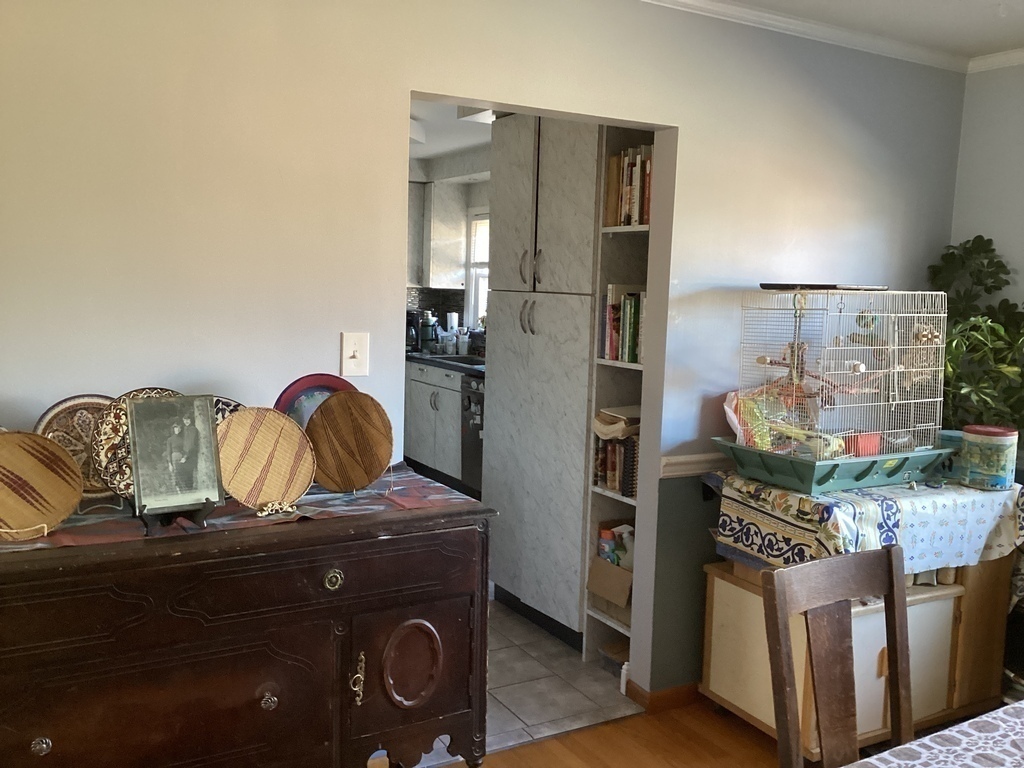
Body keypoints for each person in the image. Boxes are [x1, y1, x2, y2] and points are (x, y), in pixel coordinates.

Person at [180, 411, 200, 491]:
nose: (186, 421)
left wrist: (186, 456)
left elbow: (191, 443)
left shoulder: (193, 429)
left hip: (191, 453)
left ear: (191, 420)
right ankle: (186, 489)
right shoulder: (185, 429)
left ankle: (190, 489)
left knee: (189, 473)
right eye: (185, 420)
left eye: (188, 419)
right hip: (185, 453)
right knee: (184, 472)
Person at [164, 422, 186, 492]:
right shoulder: (170, 439)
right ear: (173, 429)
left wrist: (184, 457)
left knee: (182, 474)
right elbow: (169, 452)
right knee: (175, 474)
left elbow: (185, 449)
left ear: (180, 429)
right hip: (174, 457)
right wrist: (170, 463)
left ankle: (183, 489)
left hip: (182, 457)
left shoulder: (183, 438)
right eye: (175, 428)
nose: (177, 429)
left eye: (178, 428)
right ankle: (177, 489)